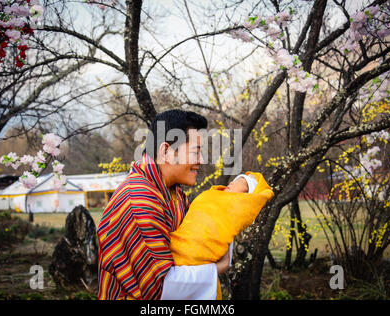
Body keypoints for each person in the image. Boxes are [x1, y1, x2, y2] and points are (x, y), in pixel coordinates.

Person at [96, 109, 230, 300]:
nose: (200, 160)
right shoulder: (139, 200)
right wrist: (218, 268)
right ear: (166, 151)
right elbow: (160, 289)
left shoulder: (173, 193)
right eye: (195, 151)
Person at [167, 172, 274, 299]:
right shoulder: (210, 196)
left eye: (240, 183)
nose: (231, 183)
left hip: (195, 257)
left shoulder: (234, 213)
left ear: (247, 197)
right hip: (176, 248)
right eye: (233, 180)